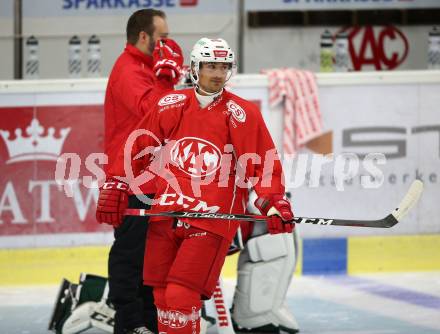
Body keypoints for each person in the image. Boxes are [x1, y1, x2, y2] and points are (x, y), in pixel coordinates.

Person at [102, 37, 295, 334]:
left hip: (212, 217)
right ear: (195, 68)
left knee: (181, 294)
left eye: (224, 67)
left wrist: (272, 199)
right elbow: (138, 147)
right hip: (166, 212)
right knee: (162, 297)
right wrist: (116, 182)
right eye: (211, 66)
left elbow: (262, 163)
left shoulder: (240, 113)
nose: (217, 73)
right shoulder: (171, 104)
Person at [95, 8, 183, 334]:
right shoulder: (129, 70)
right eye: (162, 38)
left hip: (154, 175)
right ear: (143, 36)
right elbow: (155, 111)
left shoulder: (148, 68)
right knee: (131, 253)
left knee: (153, 253)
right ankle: (129, 323)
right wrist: (165, 76)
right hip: (129, 177)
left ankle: (148, 320)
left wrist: (173, 77)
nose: (167, 45)